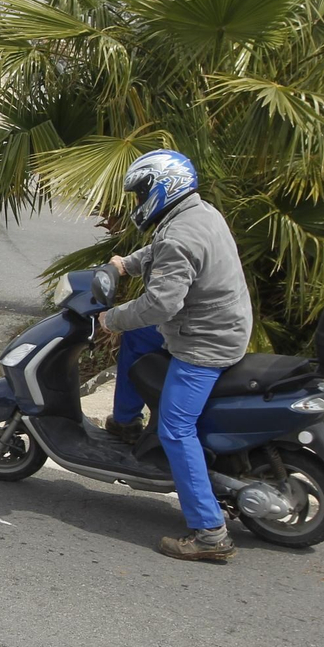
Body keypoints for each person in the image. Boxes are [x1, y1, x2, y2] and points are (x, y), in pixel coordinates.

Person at [98, 150, 253, 563]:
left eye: (141, 193)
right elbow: (159, 254)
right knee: (137, 341)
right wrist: (125, 264)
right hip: (217, 323)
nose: (137, 202)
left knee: (175, 430)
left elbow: (159, 306)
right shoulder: (198, 213)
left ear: (162, 187)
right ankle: (126, 423)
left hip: (205, 341)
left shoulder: (178, 235)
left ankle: (209, 533)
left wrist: (111, 319)